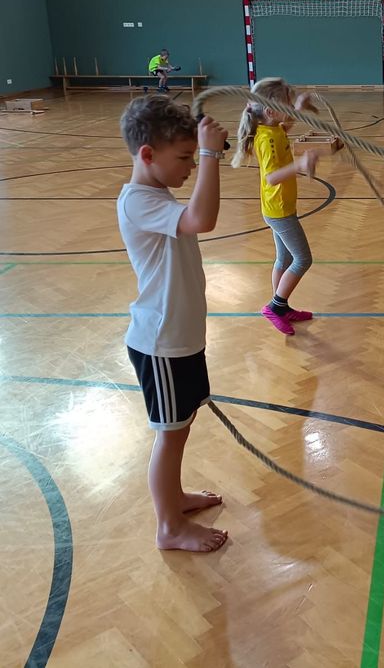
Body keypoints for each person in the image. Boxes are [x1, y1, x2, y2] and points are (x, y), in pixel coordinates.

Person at [117, 95, 229, 553]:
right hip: (160, 343)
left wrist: (197, 153)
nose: (188, 168)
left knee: (180, 426)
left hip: (180, 339)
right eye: (181, 158)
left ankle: (175, 498)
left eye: (190, 157)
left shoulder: (156, 194)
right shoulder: (138, 201)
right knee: (169, 433)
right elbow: (203, 218)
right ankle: (169, 526)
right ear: (148, 155)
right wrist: (208, 154)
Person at [231, 77, 318, 336]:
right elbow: (271, 176)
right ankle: (275, 307)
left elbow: (285, 127)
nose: (290, 108)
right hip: (278, 210)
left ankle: (281, 305)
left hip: (280, 207)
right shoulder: (265, 139)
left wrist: (299, 108)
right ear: (270, 111)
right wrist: (300, 166)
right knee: (303, 259)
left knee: (285, 258)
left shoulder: (273, 128)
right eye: (288, 104)